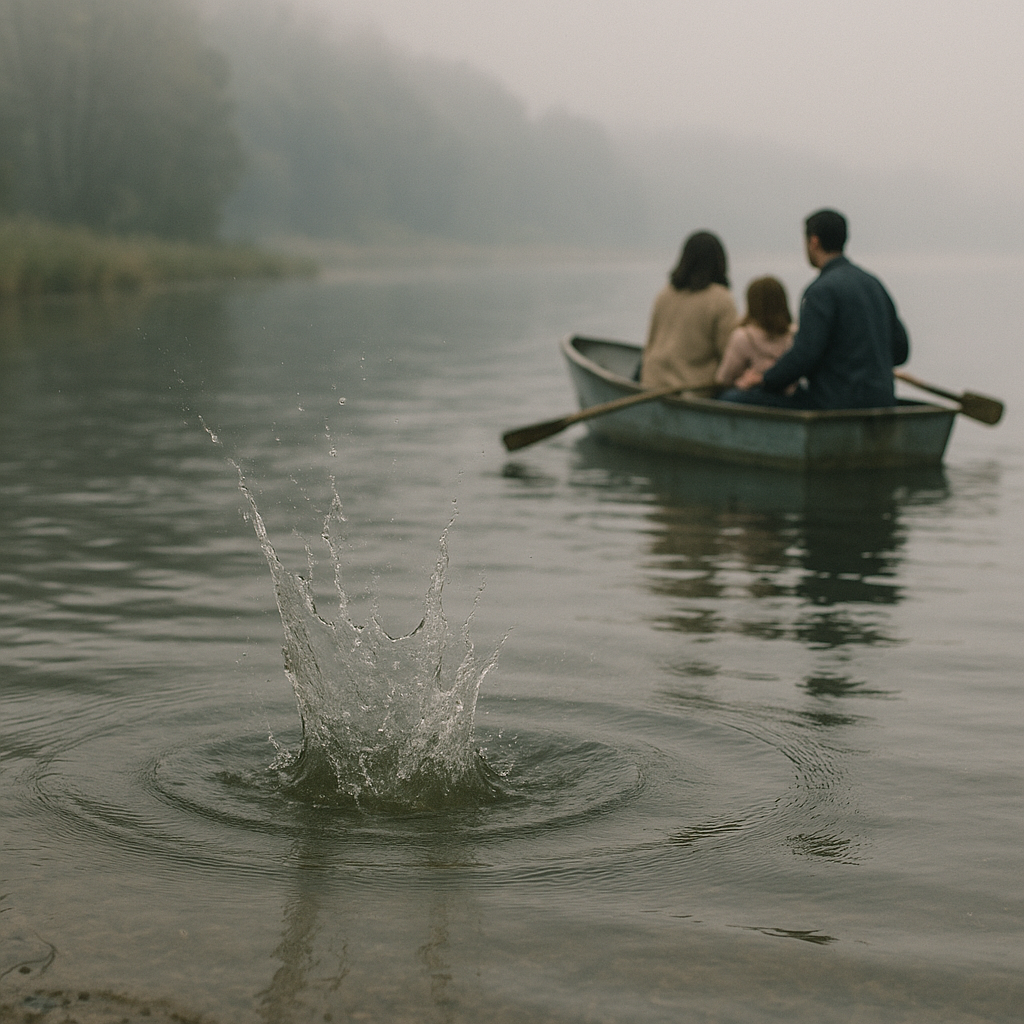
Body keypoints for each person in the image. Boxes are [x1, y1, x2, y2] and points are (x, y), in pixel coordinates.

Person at [720, 210, 909, 409]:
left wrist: (764, 379)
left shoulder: (820, 291)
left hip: (834, 403)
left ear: (813, 242)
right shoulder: (874, 284)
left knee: (731, 399)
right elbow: (901, 350)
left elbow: (805, 355)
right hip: (882, 399)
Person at [640, 231, 738, 392]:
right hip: (692, 389)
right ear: (719, 261)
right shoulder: (721, 299)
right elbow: (729, 355)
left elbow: (650, 343)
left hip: (652, 382)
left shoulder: (665, 293)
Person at [715, 276, 795, 389]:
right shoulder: (793, 335)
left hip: (752, 397)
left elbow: (724, 378)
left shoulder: (743, 336)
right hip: (786, 398)